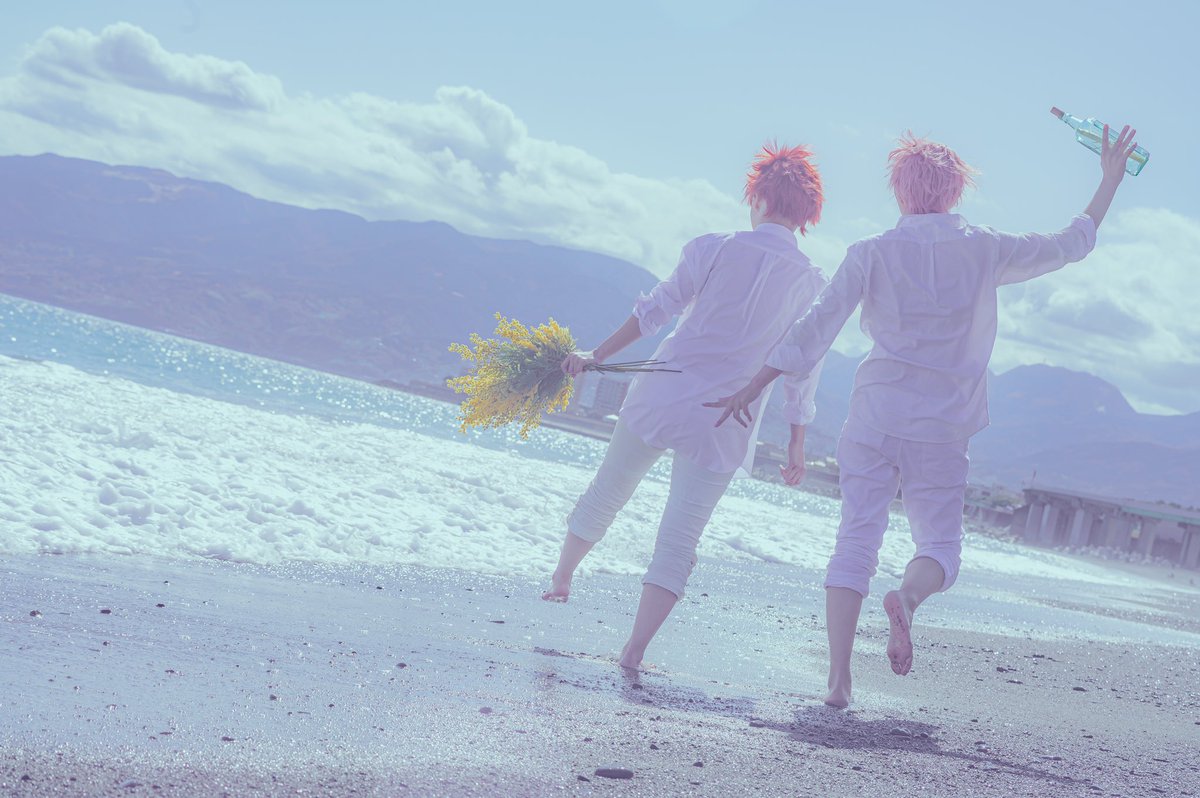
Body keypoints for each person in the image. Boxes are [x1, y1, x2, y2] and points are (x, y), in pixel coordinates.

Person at [708, 125, 1139, 707]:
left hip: (874, 414)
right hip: (943, 427)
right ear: (956, 191)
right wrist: (1109, 181)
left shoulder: (871, 252)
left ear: (899, 191)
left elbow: (816, 326)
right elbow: (1071, 243)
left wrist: (756, 382)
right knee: (940, 545)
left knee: (855, 540)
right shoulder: (985, 247)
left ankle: (838, 683)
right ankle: (907, 599)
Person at [542, 143, 829, 671]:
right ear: (807, 215)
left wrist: (596, 355)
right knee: (679, 538)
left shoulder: (713, 248)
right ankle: (634, 651)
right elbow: (801, 368)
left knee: (608, 490)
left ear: (758, 197)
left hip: (662, 395)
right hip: (725, 420)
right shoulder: (812, 283)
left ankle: (562, 577)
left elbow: (655, 311)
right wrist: (796, 444)